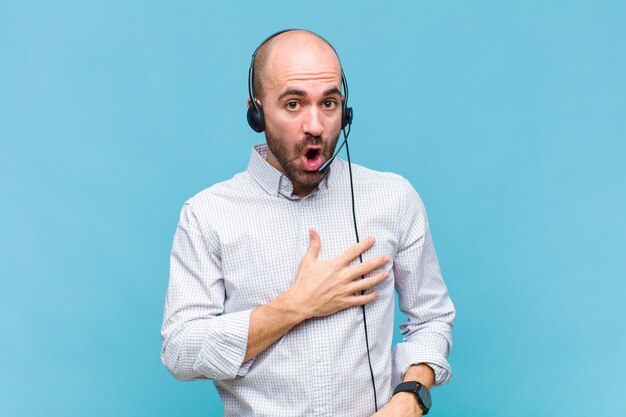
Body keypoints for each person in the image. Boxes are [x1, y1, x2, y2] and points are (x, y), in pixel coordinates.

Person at [160, 29, 455, 417]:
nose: (315, 125)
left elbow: (431, 318)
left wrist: (411, 396)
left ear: (345, 111)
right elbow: (180, 350)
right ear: (257, 111)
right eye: (294, 104)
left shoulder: (394, 198)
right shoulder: (207, 214)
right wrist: (294, 307)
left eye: (329, 103)